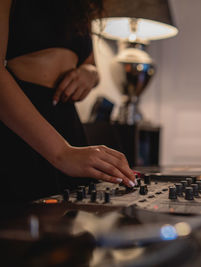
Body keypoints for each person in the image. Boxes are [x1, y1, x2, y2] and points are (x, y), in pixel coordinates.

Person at [0, 0, 136, 202]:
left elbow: (90, 65)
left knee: (73, 222)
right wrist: (62, 152)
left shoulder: (80, 5)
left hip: (67, 121)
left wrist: (89, 73)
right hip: (20, 121)